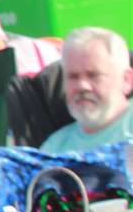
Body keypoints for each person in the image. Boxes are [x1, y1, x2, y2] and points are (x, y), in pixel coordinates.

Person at [39, 27, 133, 155]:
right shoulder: (54, 148)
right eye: (73, 77)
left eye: (93, 75)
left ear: (126, 80)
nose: (82, 86)